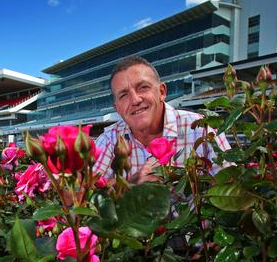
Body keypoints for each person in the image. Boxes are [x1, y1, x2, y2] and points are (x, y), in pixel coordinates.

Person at [94, 55, 231, 183]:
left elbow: (230, 185)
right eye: (123, 95)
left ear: (162, 92)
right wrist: (133, 183)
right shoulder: (109, 140)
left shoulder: (201, 129)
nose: (135, 100)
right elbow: (84, 193)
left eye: (143, 87)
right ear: (117, 108)